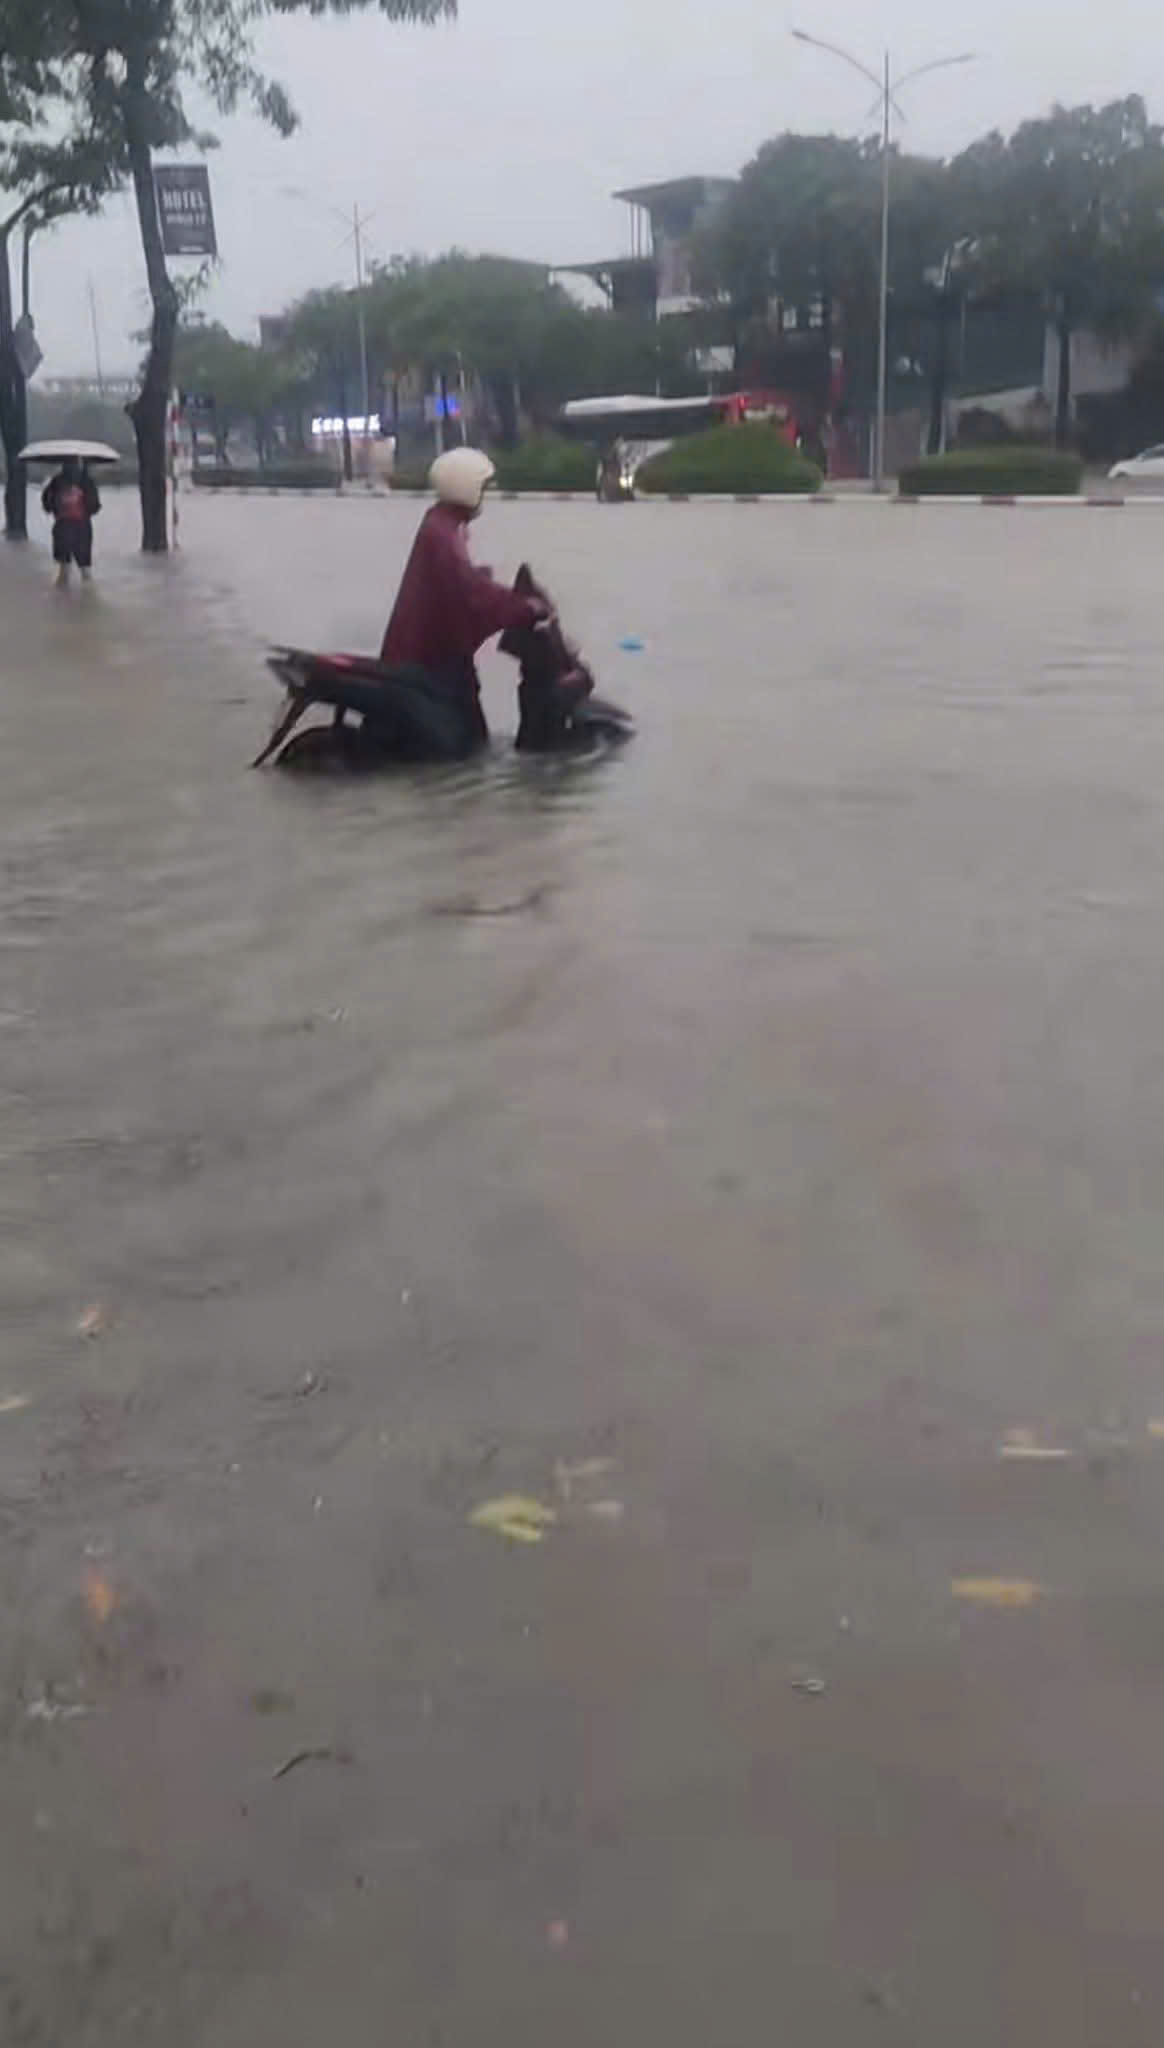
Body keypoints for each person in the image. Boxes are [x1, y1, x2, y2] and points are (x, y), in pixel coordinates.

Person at [381, 447, 546, 751]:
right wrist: (522, 607)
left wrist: (491, 584)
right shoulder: (442, 532)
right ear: (465, 486)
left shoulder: (444, 524)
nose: (484, 496)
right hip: (430, 659)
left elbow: (460, 583)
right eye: (482, 487)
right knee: (470, 747)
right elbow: (468, 591)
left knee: (472, 739)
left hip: (434, 653)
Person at [42, 456, 101, 586]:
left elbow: (46, 501)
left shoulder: (56, 480)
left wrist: (53, 508)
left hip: (62, 526)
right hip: (82, 527)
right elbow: (95, 506)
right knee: (85, 568)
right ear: (79, 464)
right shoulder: (87, 481)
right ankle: (88, 595)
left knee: (63, 568)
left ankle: (61, 595)